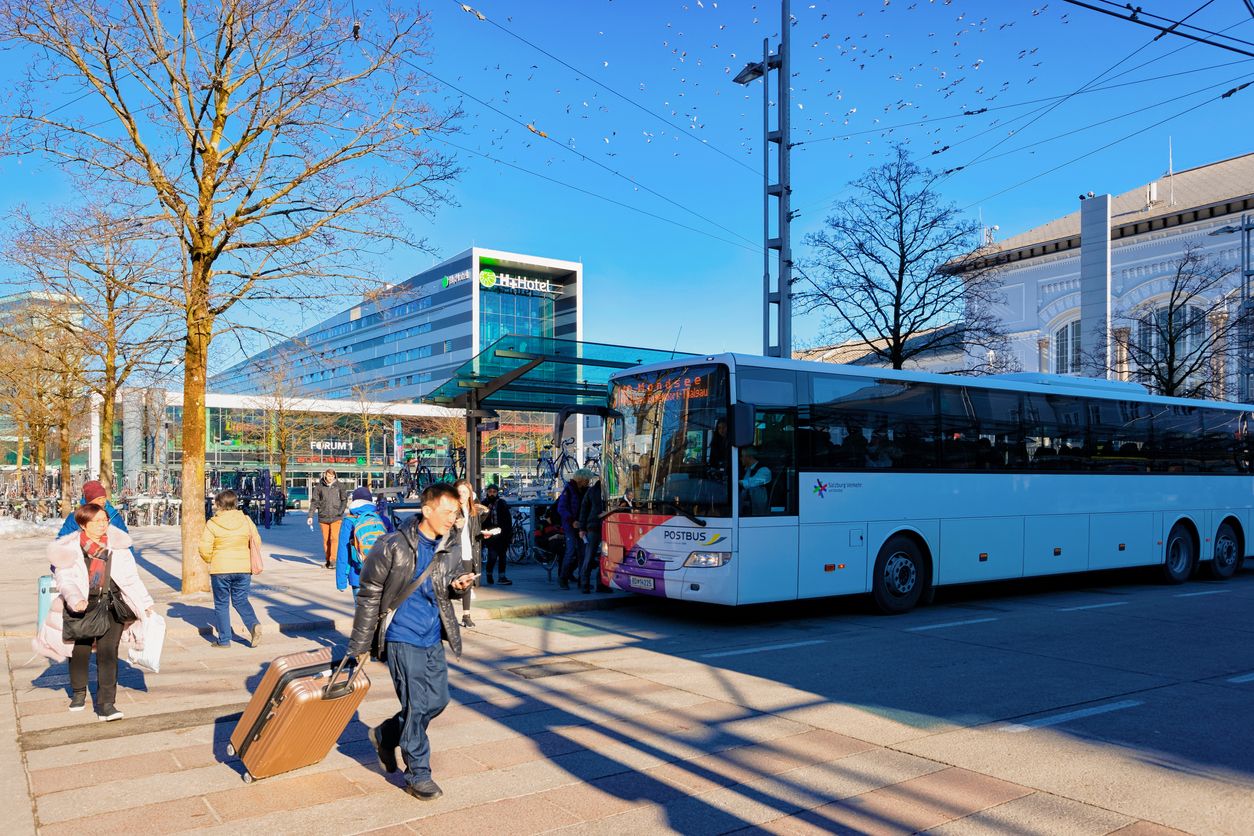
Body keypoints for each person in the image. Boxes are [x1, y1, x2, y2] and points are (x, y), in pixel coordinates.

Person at [346, 483, 475, 801]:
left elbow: (446, 584)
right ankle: (418, 774)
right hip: (402, 636)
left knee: (438, 700)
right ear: (427, 510)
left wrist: (458, 585)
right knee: (417, 706)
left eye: (455, 513)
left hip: (433, 635)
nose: (452, 518)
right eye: (447, 512)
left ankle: (386, 733)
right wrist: (359, 646)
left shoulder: (450, 544)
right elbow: (369, 596)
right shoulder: (392, 545)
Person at [34, 504, 154, 720]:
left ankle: (106, 704)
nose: (102, 525)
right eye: (96, 521)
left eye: (104, 520)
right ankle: (79, 692)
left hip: (112, 605)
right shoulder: (70, 548)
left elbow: (131, 578)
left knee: (109, 653)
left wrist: (145, 602)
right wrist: (74, 599)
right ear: (82, 524)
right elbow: (65, 578)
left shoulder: (118, 548)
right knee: (80, 651)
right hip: (82, 606)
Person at [198, 490, 263, 649]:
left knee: (221, 604)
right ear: (235, 503)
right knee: (240, 600)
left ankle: (224, 640)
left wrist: (212, 560)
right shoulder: (246, 520)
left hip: (220, 569)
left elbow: (204, 548)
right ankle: (253, 624)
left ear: (219, 505)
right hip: (243, 568)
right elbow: (257, 542)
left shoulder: (213, 523)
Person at [336, 487, 389, 599]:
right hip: (381, 574)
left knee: (362, 612)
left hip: (357, 574)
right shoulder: (382, 519)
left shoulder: (349, 521)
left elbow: (343, 552)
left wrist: (341, 581)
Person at [452, 479, 490, 628]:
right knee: (448, 583)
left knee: (467, 583)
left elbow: (474, 531)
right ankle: (444, 617)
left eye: (465, 492)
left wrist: (482, 534)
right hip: (454, 551)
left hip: (468, 550)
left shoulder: (472, 511)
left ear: (470, 494)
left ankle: (466, 615)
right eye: (459, 492)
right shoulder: (452, 509)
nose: (461, 495)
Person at [556, 469, 593, 590]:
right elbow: (561, 508)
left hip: (581, 525)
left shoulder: (586, 490)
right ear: (581, 479)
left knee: (582, 553)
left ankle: (582, 580)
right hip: (571, 525)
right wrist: (571, 521)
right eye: (587, 480)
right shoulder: (569, 489)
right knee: (571, 551)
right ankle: (563, 578)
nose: (588, 482)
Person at [57, 479, 128, 537]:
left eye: (104, 498)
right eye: (99, 498)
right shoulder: (76, 516)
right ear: (90, 500)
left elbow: (125, 539)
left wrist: (129, 554)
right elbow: (62, 540)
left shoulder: (114, 515)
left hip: (111, 553)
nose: (102, 501)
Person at [307, 469, 348, 569]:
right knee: (326, 540)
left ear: (334, 476)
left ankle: (333, 560)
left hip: (336, 516)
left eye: (332, 476)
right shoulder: (319, 487)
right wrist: (310, 516)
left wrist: (340, 511)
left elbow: (344, 500)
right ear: (325, 475)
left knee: (334, 538)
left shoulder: (340, 486)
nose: (330, 478)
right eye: (328, 476)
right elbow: (314, 502)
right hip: (323, 516)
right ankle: (328, 560)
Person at [576, 474, 604, 594]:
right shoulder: (594, 491)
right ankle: (587, 583)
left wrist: (582, 528)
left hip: (596, 526)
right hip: (595, 526)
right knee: (591, 556)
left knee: (597, 556)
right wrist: (582, 528)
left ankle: (595, 583)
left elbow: (584, 510)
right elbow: (584, 510)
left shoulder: (593, 491)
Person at [481, 483, 513, 586]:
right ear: (487, 492)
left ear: (497, 493)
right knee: (492, 556)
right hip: (490, 533)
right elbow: (481, 520)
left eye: (494, 492)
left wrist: (508, 534)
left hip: (502, 533)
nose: (492, 494)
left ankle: (502, 577)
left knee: (502, 556)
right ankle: (489, 573)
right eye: (490, 492)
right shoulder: (484, 503)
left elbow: (508, 520)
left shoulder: (502, 503)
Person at [738, 447, 772, 515]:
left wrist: (735, 482)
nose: (740, 459)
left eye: (742, 456)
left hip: (761, 514)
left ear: (749, 457)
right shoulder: (748, 470)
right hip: (749, 511)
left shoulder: (764, 470)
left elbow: (751, 483)